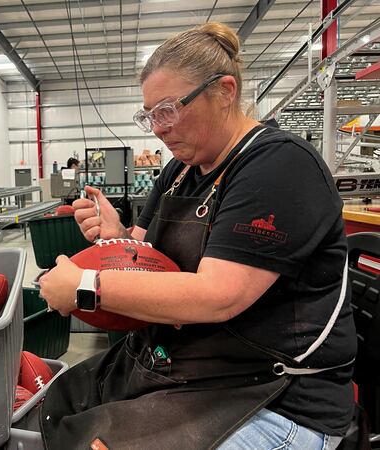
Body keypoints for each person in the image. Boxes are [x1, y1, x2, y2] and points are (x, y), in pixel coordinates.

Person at [38, 22, 356, 450]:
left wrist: (83, 287)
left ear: (224, 91)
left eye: (167, 110)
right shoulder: (179, 171)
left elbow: (218, 296)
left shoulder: (277, 167)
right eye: (148, 114)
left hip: (274, 399)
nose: (157, 128)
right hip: (191, 373)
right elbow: (146, 259)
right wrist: (117, 238)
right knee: (63, 410)